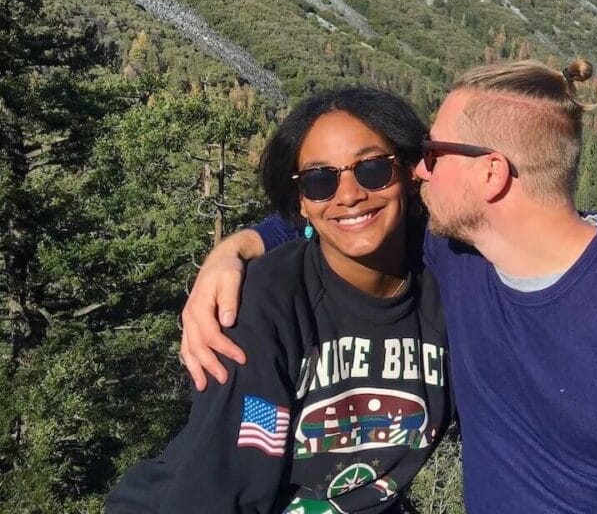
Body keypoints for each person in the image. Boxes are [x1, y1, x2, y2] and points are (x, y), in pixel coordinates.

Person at [183, 60, 597, 513]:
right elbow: (345, 214)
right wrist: (237, 249)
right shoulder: (454, 252)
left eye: (433, 154)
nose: (417, 170)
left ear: (491, 174)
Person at [109, 87, 454, 513]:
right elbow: (227, 487)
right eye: (320, 180)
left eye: (372, 170)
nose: (348, 195)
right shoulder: (263, 304)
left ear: (408, 172)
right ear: (302, 204)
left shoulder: (448, 287)